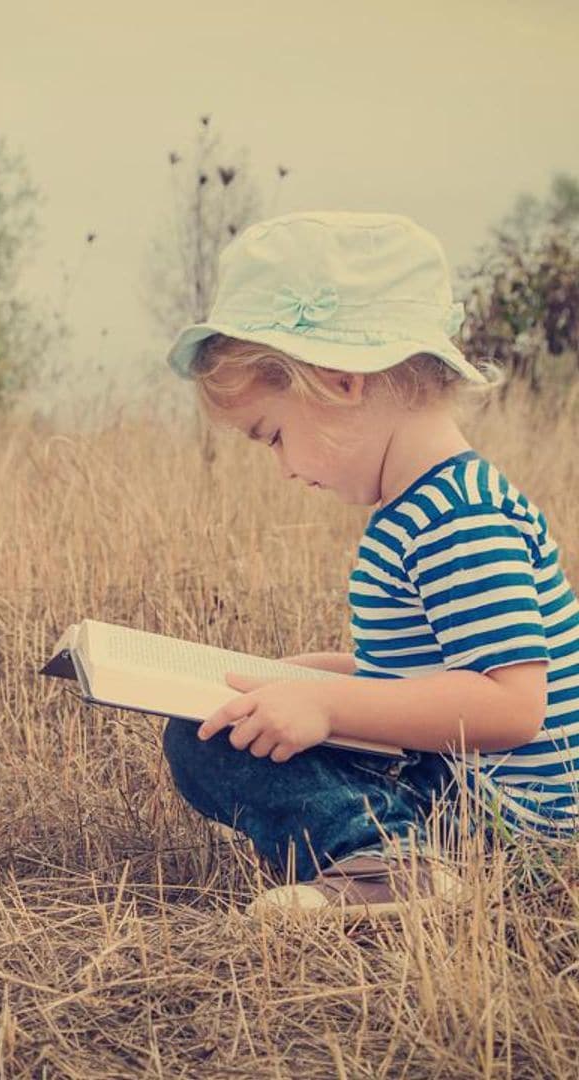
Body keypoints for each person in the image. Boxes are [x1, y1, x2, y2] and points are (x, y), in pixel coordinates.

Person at [162, 210, 578, 918]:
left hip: (513, 825)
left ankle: (395, 867)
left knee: (217, 745)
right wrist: (308, 677)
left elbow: (511, 705)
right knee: (205, 733)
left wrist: (327, 705)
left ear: (340, 384)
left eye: (273, 436)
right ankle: (393, 860)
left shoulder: (459, 517)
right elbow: (429, 680)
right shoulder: (416, 510)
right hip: (453, 783)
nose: (284, 468)